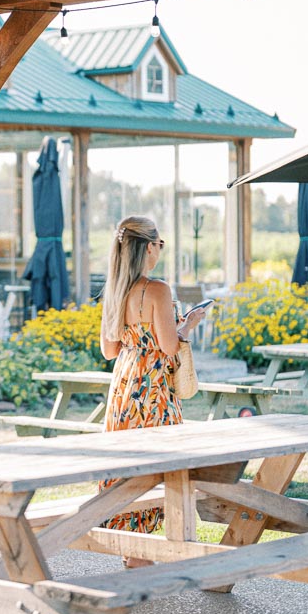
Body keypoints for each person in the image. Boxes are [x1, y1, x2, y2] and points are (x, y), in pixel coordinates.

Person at [98, 216, 208, 566]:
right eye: (160, 244)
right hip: (153, 386)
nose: (160, 251)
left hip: (123, 384)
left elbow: (109, 350)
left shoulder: (115, 288)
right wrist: (187, 325)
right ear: (149, 246)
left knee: (127, 463)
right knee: (162, 462)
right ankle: (144, 554)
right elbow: (169, 346)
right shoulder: (157, 289)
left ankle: (133, 550)